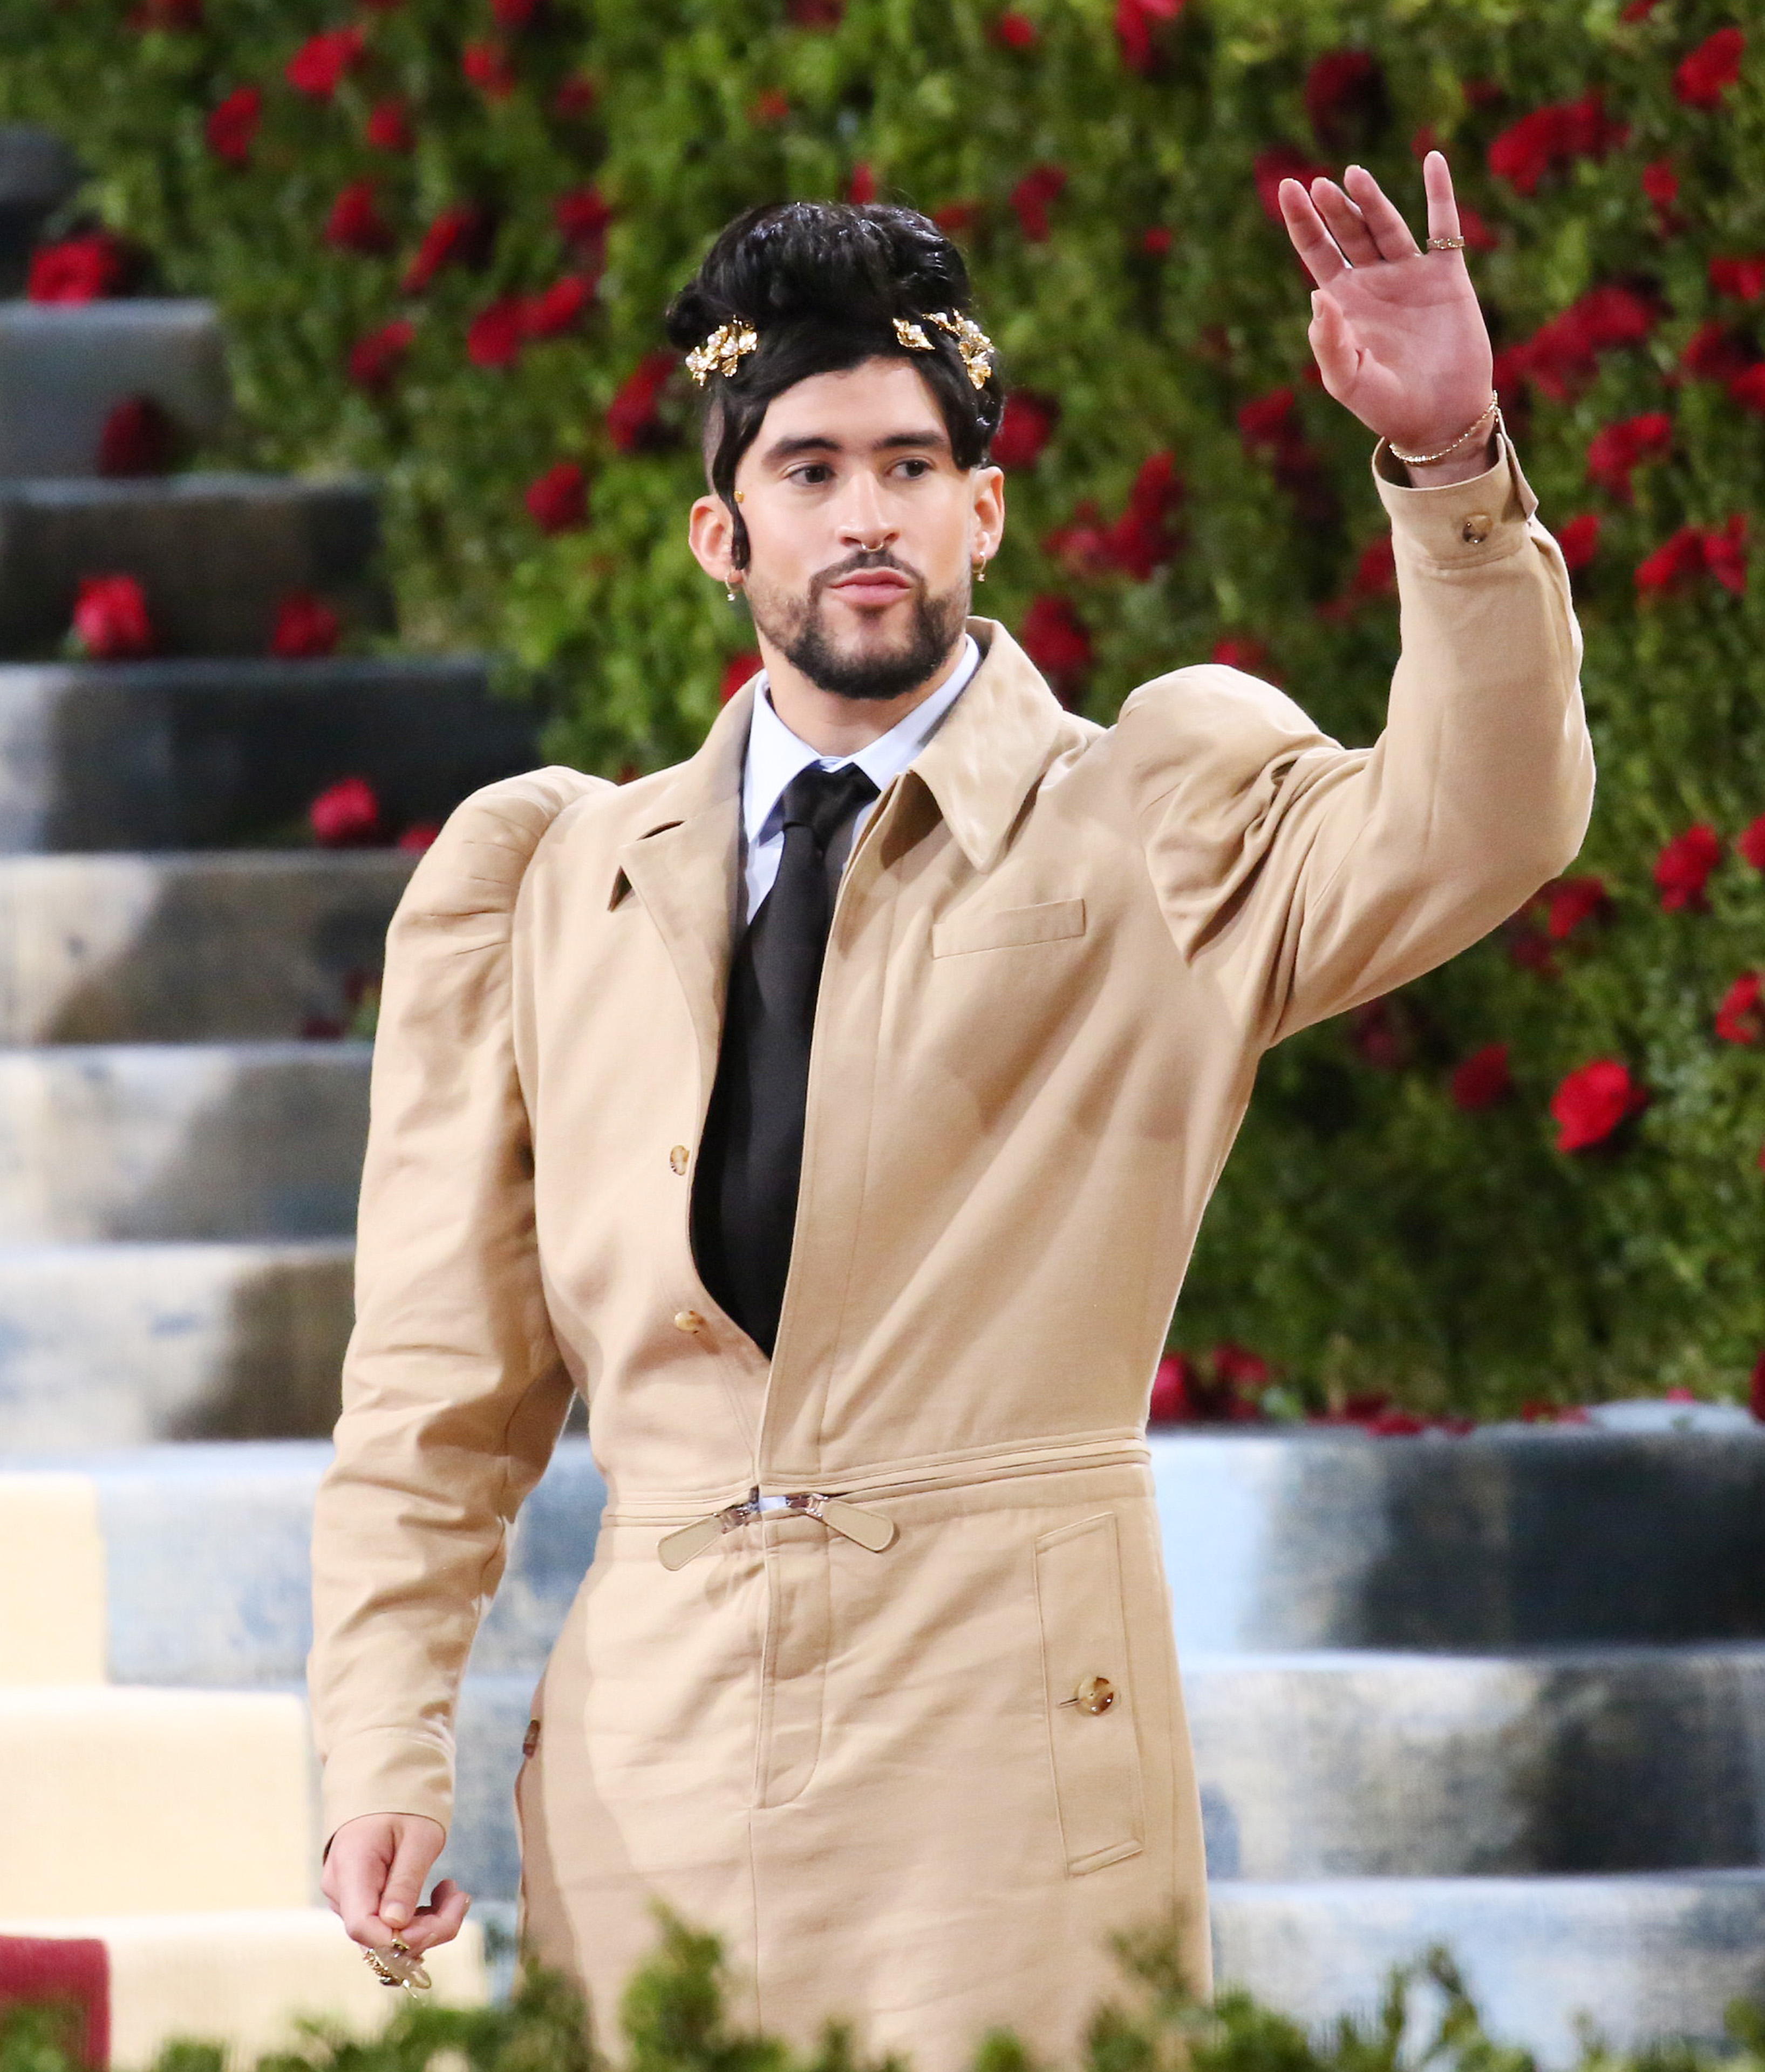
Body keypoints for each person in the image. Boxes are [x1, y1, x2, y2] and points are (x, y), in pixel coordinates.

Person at [311, 157, 1592, 2066]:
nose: (866, 515)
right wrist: (379, 1747)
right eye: (811, 471)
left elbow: (1483, 821)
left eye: (911, 466)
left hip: (1012, 1765)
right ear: (721, 534)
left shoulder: (1160, 811)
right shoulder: (550, 885)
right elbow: (436, 1393)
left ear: (983, 511)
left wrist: (1453, 468)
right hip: (645, 1777)